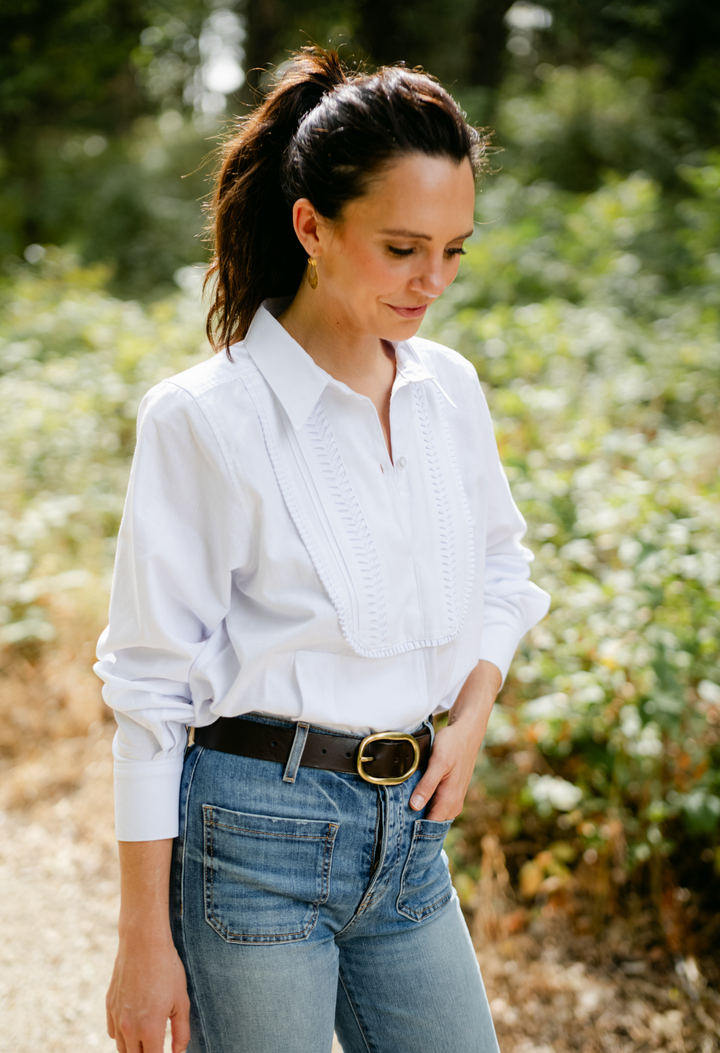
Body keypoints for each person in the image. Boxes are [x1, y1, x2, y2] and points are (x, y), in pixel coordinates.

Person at [96, 47, 550, 1053]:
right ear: (312, 224)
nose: (434, 281)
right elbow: (148, 687)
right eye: (402, 249)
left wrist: (470, 714)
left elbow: (503, 573)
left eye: (455, 250)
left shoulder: (449, 390)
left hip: (411, 842)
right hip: (252, 839)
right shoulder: (202, 418)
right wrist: (140, 941)